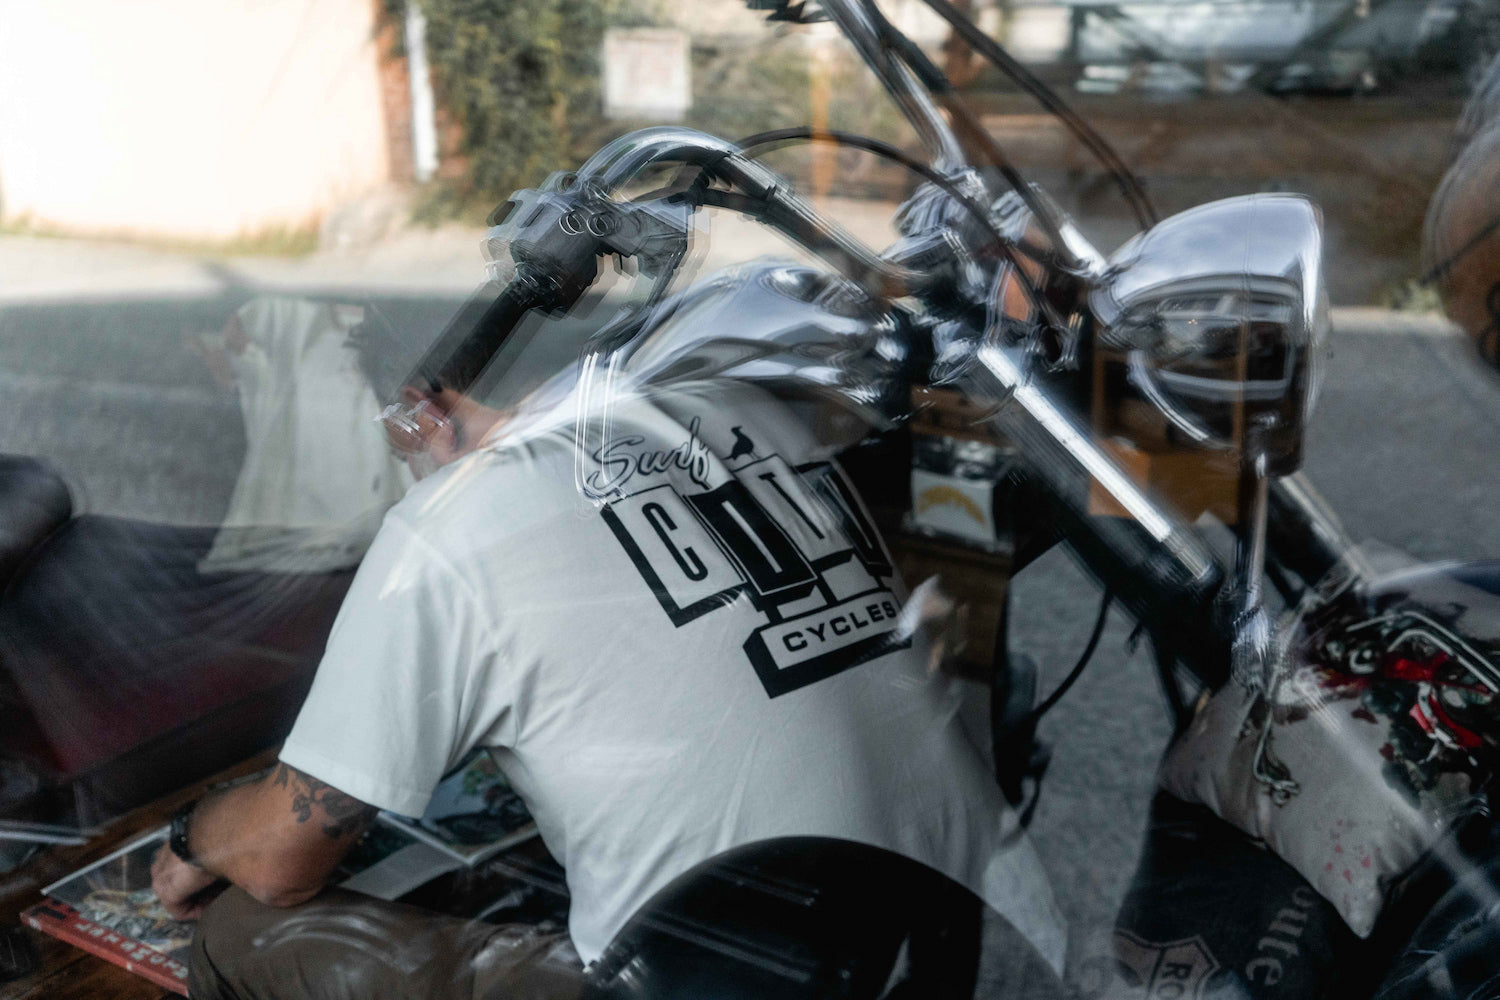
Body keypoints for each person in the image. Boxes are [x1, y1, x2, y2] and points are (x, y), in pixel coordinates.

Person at [150, 366, 1067, 998]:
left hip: (710, 977)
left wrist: (194, 835)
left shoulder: (444, 532)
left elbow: (278, 859)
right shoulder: (742, 407)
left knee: (236, 937)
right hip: (896, 929)